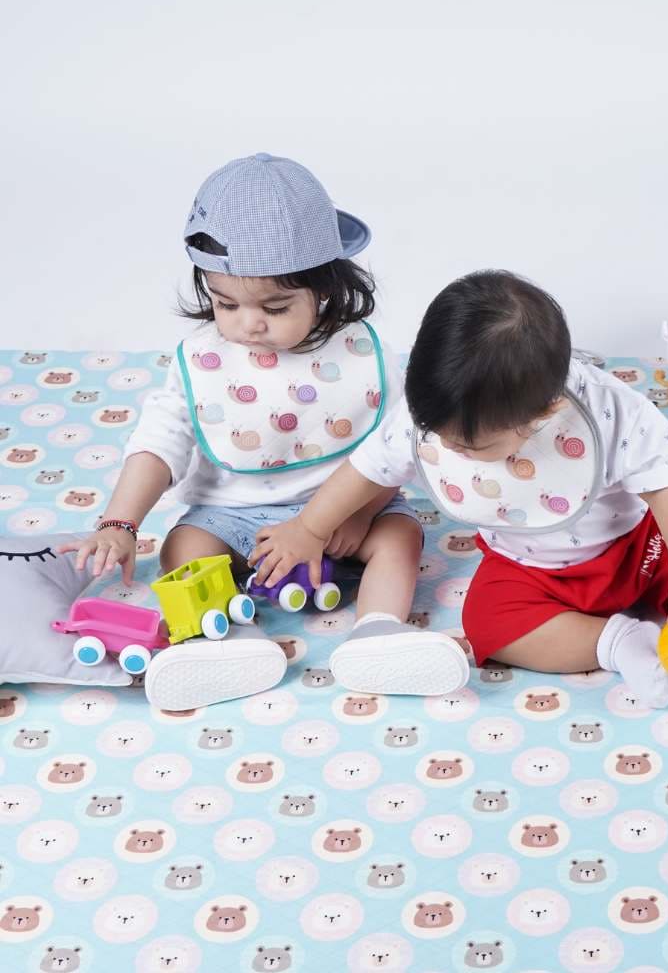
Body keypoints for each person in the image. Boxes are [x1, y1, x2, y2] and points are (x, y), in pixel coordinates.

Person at [251, 270, 668, 708]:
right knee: (488, 620)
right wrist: (309, 527)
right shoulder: (434, 410)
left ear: (545, 412)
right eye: (443, 437)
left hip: (640, 549)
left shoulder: (611, 414)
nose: (454, 450)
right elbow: (366, 469)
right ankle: (621, 644)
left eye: (473, 448)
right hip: (530, 568)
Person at [61, 153, 469, 709]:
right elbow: (160, 443)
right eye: (225, 303)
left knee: (400, 536)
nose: (247, 323)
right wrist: (120, 522)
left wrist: (361, 511)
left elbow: (397, 445)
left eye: (275, 306)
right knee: (184, 546)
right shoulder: (204, 360)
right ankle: (229, 640)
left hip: (347, 509)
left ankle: (378, 633)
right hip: (231, 517)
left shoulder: (362, 355)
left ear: (325, 288)